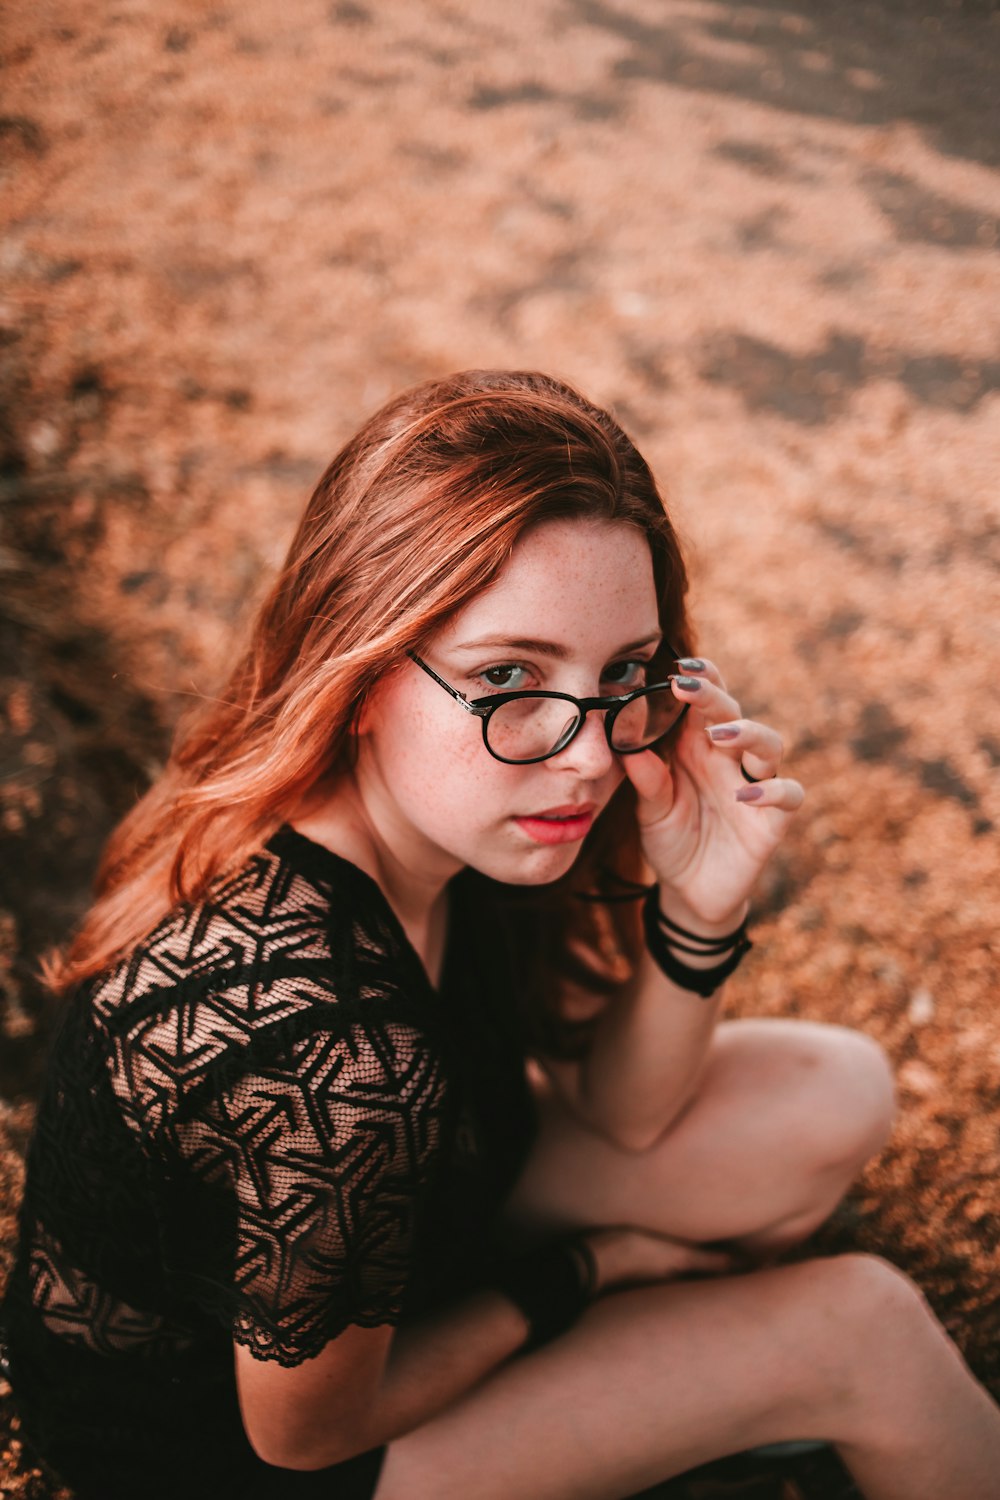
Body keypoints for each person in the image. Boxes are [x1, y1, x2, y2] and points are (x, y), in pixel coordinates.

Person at [4, 370, 998, 1500]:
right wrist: (585, 1274)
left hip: (395, 1220)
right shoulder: (338, 1065)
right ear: (364, 667)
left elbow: (627, 1117)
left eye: (621, 671)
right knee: (862, 1329)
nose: (585, 753)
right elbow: (308, 1437)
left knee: (834, 1094)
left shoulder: (430, 817)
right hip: (243, 1460)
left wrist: (701, 905)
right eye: (508, 676)